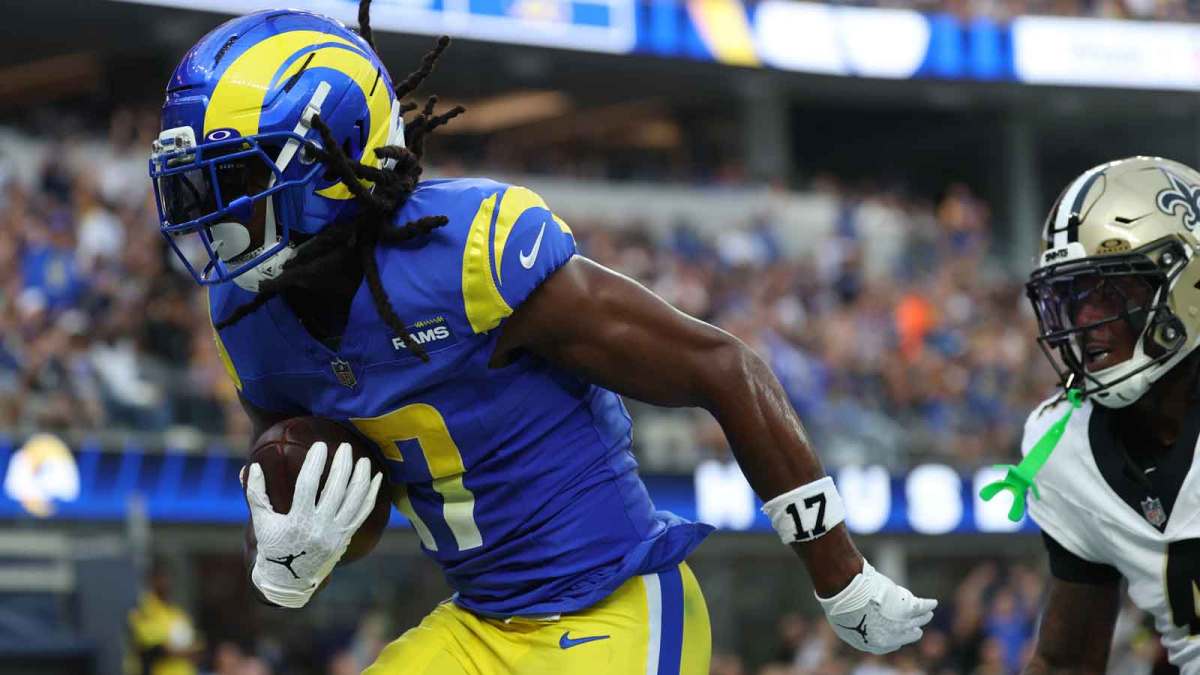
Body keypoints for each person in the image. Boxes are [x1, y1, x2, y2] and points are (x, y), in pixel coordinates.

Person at [149, 3, 935, 673]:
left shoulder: (468, 254)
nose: (209, 213)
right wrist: (286, 555)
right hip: (481, 626)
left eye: (239, 180)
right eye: (197, 185)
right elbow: (338, 499)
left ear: (336, 159)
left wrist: (841, 572)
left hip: (617, 603)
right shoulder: (249, 315)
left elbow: (722, 367)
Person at [1017, 156, 1200, 672]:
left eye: (1109, 289)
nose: (1084, 319)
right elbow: (1066, 661)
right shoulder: (1065, 448)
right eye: (1071, 296)